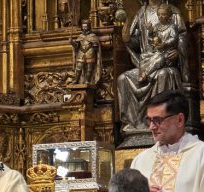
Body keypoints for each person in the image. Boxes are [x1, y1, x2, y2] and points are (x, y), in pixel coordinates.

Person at [117, 0, 188, 131]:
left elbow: (182, 37)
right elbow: (135, 43)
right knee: (123, 79)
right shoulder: (141, 14)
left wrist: (177, 51)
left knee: (163, 75)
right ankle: (135, 124)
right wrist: (127, 36)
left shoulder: (173, 12)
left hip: (165, 61)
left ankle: (162, 123)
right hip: (146, 61)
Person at [139, 4, 179, 84]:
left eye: (163, 14)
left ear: (169, 15)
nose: (161, 16)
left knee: (159, 58)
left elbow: (174, 38)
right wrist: (150, 32)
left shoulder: (172, 26)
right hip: (157, 51)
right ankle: (142, 73)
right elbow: (151, 40)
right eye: (159, 14)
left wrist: (164, 43)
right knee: (143, 56)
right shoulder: (156, 27)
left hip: (167, 53)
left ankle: (145, 74)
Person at [70, 19, 102, 85]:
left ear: (89, 27)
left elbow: (96, 47)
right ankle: (76, 80)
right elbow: (76, 46)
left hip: (90, 52)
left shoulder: (93, 36)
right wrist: (72, 42)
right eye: (83, 27)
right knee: (79, 66)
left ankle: (87, 80)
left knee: (89, 67)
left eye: (86, 27)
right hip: (81, 52)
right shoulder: (80, 36)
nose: (84, 28)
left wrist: (94, 44)